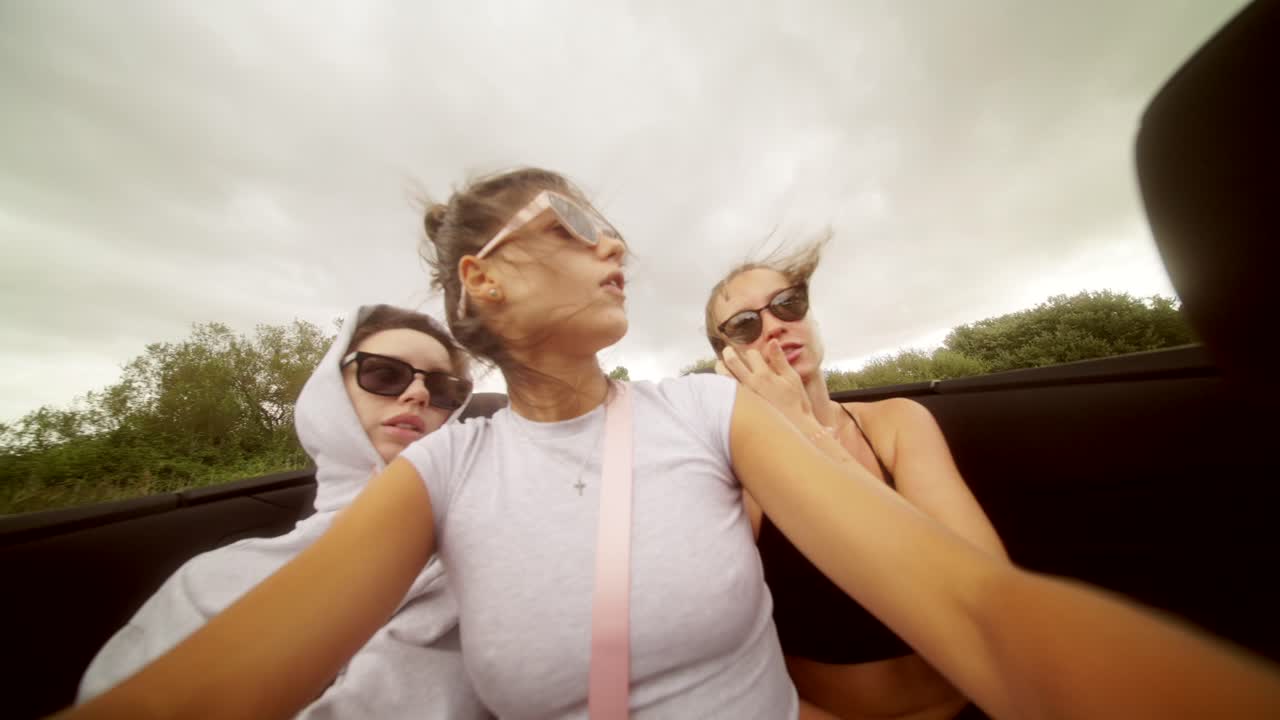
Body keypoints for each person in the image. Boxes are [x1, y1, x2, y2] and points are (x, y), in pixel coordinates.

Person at [62, 168, 1280, 720]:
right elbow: (211, 692)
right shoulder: (442, 472)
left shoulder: (711, 415)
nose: (615, 246)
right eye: (580, 224)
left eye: (616, 230)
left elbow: (977, 610)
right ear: (485, 277)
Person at [76, 304, 491, 719]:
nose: (417, 394)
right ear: (329, 394)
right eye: (385, 374)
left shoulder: (487, 562)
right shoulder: (208, 581)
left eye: (441, 388)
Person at [705, 238, 1005, 720]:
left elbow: (990, 587)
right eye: (744, 325)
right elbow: (716, 650)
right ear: (728, 358)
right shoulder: (733, 468)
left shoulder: (897, 423)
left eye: (788, 303)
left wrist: (805, 430)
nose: (776, 326)